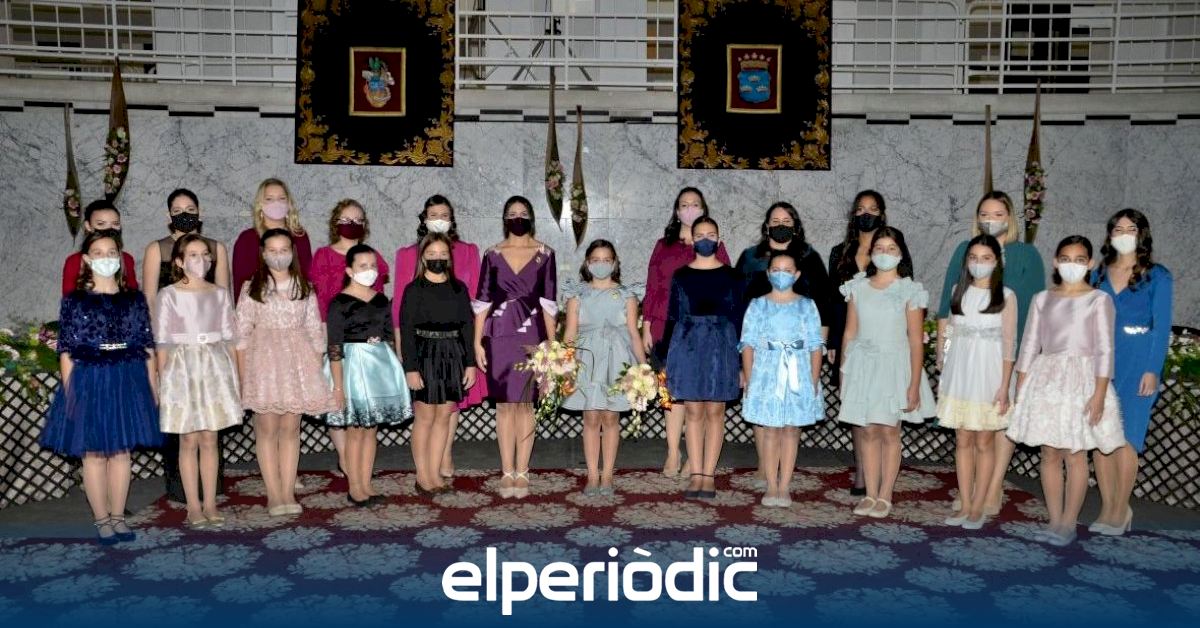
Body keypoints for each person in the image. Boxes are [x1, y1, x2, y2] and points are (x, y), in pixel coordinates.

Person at [41, 229, 161, 544]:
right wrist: (71, 392)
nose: (106, 258)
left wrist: (152, 387)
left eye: (111, 252)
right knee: (94, 453)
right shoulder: (75, 302)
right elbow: (66, 350)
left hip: (127, 377)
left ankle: (118, 516)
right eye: (98, 253)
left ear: (119, 258)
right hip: (90, 379)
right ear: (86, 260)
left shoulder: (134, 300)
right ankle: (102, 519)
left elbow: (147, 345)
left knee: (121, 452)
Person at [1006, 236, 1125, 546]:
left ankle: (1069, 523)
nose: (1072, 265)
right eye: (1066, 259)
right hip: (1046, 380)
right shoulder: (1042, 299)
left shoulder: (1099, 300)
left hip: (1082, 381)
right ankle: (1054, 520)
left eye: (1079, 259)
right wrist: (1022, 387)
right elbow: (1030, 343)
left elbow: (1105, 349)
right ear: (1056, 262)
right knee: (1049, 453)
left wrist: (1099, 393)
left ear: (1090, 264)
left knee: (1075, 452)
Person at [936, 191, 1045, 515]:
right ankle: (970, 492)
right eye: (984, 213)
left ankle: (993, 486)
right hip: (966, 356)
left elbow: (1036, 306)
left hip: (1006, 353)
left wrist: (1027, 356)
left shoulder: (1026, 255)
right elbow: (948, 309)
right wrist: (943, 351)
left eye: (998, 214)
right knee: (969, 429)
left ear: (1010, 217)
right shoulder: (964, 250)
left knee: (998, 423)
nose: (991, 219)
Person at [235, 228, 337, 516]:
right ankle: (274, 494)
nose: (278, 256)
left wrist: (314, 371)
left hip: (297, 365)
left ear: (292, 252)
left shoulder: (304, 287)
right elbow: (241, 335)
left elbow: (314, 331)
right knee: (267, 429)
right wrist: (243, 378)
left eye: (284, 250)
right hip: (263, 366)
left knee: (291, 429)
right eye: (273, 250)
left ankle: (288, 491)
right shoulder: (251, 287)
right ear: (263, 253)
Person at [837, 226, 935, 519]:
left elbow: (915, 340)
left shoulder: (909, 290)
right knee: (868, 430)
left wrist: (914, 384)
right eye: (879, 248)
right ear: (871, 253)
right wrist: (844, 372)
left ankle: (885, 494)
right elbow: (849, 333)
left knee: (890, 430)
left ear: (901, 254)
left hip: (894, 366)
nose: (884, 254)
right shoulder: (857, 288)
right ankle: (870, 493)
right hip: (863, 366)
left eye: (891, 249)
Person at [735, 201, 833, 487]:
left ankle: (783, 474)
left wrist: (819, 347)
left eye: (786, 221)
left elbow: (823, 300)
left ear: (795, 225)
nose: (781, 225)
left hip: (798, 349)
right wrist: (743, 359)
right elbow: (738, 301)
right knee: (763, 415)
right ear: (766, 225)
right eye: (775, 220)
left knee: (790, 418)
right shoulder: (751, 257)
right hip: (760, 347)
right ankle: (764, 468)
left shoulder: (809, 257)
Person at [142, 188, 230, 504]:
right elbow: (150, 300)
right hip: (175, 345)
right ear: (168, 215)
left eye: (190, 208)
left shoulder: (217, 248)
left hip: (210, 349)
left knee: (211, 428)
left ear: (200, 212)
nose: (184, 214)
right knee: (181, 429)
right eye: (178, 209)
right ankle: (183, 493)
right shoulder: (157, 249)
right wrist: (156, 354)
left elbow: (225, 295)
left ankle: (212, 491)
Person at [1090, 209, 1173, 536]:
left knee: (1126, 438)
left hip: (1139, 362)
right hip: (1102, 363)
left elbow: (1162, 327)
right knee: (1101, 436)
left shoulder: (1158, 276)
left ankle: (1121, 508)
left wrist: (1153, 369)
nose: (1124, 234)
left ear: (1142, 234)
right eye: (1118, 229)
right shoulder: (1098, 274)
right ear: (1110, 235)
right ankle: (1107, 506)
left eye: (1131, 229)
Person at [154, 234, 242, 529]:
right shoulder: (168, 294)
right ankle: (192, 504)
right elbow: (163, 342)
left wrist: (235, 379)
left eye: (205, 254)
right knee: (189, 439)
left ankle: (211, 502)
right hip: (182, 368)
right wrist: (164, 381)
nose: (201, 260)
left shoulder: (219, 294)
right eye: (192, 255)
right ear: (179, 262)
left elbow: (229, 338)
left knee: (210, 438)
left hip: (214, 367)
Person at [642, 187, 731, 478]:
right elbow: (652, 287)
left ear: (703, 209)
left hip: (705, 331)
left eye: (695, 204)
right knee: (671, 392)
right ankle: (672, 452)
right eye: (684, 204)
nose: (689, 209)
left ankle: (696, 457)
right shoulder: (663, 245)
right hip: (666, 326)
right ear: (677, 210)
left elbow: (726, 287)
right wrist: (646, 326)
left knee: (700, 392)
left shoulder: (713, 244)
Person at [394, 194, 484, 481]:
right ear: (423, 257)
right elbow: (406, 328)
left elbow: (467, 326)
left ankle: (435, 473)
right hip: (423, 355)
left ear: (450, 257)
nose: (437, 259)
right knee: (424, 418)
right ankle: (423, 476)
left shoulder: (458, 289)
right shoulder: (413, 290)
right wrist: (409, 368)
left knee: (444, 417)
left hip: (452, 355)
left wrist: (470, 363)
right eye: (431, 254)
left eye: (443, 255)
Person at [473, 196, 557, 499]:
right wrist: (476, 342)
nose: (517, 217)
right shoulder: (492, 254)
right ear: (504, 218)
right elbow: (482, 302)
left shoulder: (546, 254)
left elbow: (549, 304)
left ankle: (523, 470)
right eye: (512, 213)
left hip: (532, 336)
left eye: (523, 213)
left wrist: (553, 347)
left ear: (531, 217)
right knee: (505, 406)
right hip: (498, 337)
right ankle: (506, 470)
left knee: (525, 404)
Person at [935, 234, 1016, 529]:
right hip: (960, 374)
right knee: (962, 438)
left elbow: (1009, 345)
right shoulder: (958, 291)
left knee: (984, 440)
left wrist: (1005, 386)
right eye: (973, 258)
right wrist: (943, 359)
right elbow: (951, 333)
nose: (978, 264)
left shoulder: (1006, 296)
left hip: (989, 376)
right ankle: (965, 503)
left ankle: (979, 505)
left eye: (986, 258)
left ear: (997, 262)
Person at [665, 217, 744, 501]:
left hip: (722, 346)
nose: (706, 239)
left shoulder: (733, 276)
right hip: (688, 346)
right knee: (694, 412)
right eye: (700, 235)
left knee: (715, 411)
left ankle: (709, 474)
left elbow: (740, 320)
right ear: (692, 240)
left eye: (711, 234)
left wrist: (742, 364)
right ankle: (696, 472)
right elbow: (672, 317)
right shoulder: (681, 276)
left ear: (719, 239)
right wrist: (667, 360)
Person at [311, 199, 390, 479]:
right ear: (335, 222)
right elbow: (320, 296)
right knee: (338, 394)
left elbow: (378, 297)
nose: (352, 224)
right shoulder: (323, 255)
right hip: (333, 330)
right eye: (346, 219)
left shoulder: (371, 256)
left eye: (358, 219)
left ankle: (359, 465)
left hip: (366, 340)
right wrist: (323, 331)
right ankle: (346, 458)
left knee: (364, 401)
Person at [327, 244, 411, 505]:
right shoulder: (339, 303)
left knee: (371, 429)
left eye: (373, 265)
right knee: (355, 430)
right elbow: (334, 347)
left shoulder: (381, 300)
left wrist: (391, 364)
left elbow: (388, 337)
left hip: (377, 369)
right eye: (363, 266)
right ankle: (354, 487)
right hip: (351, 370)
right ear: (349, 270)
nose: (369, 270)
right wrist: (338, 387)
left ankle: (366, 484)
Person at [739, 251, 824, 508]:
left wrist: (813, 379)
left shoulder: (807, 305)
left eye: (787, 270)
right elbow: (747, 344)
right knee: (771, 430)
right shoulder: (758, 305)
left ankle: (784, 485)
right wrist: (750, 378)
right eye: (776, 269)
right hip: (767, 374)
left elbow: (815, 345)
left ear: (796, 275)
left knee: (791, 430)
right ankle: (771, 485)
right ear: (768, 273)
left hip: (798, 373)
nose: (781, 274)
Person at [562, 240, 646, 496]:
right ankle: (591, 474)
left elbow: (634, 333)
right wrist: (564, 365)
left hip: (617, 360)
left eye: (606, 260)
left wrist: (643, 367)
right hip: (586, 361)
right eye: (596, 260)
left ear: (615, 263)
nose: (601, 264)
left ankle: (607, 474)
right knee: (590, 417)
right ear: (587, 263)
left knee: (611, 417)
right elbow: (570, 333)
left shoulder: (626, 295)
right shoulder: (577, 295)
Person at [827, 190, 887, 496]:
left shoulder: (891, 248)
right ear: (853, 215)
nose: (866, 214)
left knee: (880, 408)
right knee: (855, 407)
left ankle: (881, 471)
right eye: (861, 209)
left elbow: (905, 290)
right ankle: (862, 471)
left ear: (881, 214)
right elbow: (833, 301)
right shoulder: (839, 252)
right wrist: (833, 342)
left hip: (883, 338)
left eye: (872, 209)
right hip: (850, 338)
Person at [232, 178, 313, 304]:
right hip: (259, 306)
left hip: (295, 304)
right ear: (260, 204)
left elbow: (308, 277)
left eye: (282, 198)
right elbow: (240, 283)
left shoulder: (299, 236)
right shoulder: (247, 239)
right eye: (269, 199)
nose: (276, 203)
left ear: (289, 204)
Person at [61, 199, 138, 295]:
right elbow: (69, 300)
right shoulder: (74, 261)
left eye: (115, 224)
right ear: (88, 226)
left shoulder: (127, 259)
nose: (109, 229)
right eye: (101, 224)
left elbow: (133, 295)